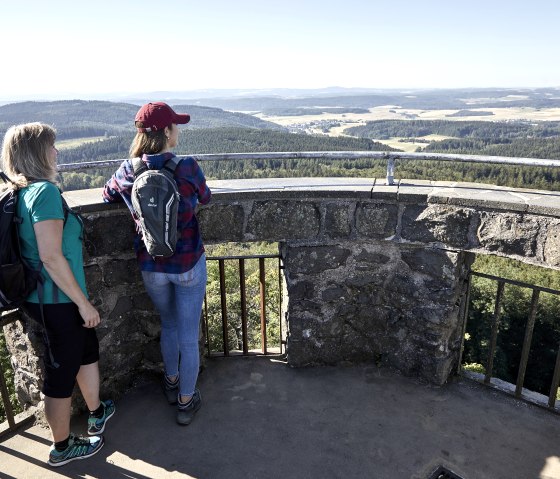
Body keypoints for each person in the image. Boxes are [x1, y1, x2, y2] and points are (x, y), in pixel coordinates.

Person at [1, 123, 115, 467]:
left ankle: (96, 412)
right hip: (57, 302)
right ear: (38, 153)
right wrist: (83, 303)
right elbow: (50, 255)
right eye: (52, 147)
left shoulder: (19, 192)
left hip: (43, 299)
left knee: (84, 352)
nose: (57, 152)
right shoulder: (44, 194)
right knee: (61, 372)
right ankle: (62, 448)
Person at [103, 102, 211, 425]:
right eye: (175, 126)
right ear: (166, 132)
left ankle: (171, 382)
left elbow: (107, 193)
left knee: (169, 324)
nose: (177, 130)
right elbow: (205, 197)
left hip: (152, 267)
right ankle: (186, 402)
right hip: (189, 264)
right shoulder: (187, 167)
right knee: (189, 336)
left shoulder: (129, 169)